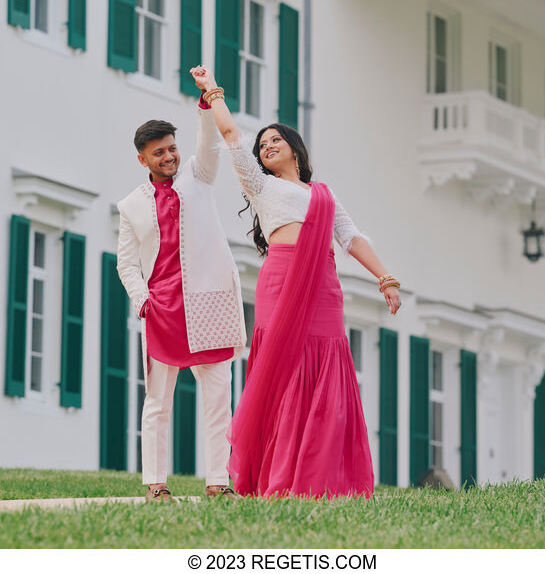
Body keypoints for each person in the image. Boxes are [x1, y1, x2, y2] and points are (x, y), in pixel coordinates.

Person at [189, 65, 402, 499]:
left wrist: (385, 278)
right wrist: (213, 92)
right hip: (281, 279)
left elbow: (351, 236)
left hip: (324, 287)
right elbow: (232, 137)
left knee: (324, 364)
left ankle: (318, 474)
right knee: (283, 366)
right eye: (263, 143)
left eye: (275, 141)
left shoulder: (322, 194)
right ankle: (279, 474)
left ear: (294, 150)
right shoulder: (259, 187)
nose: (267, 146)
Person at [116, 100, 247, 502]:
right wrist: (143, 302)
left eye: (171, 147)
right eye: (159, 152)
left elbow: (209, 145)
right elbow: (126, 263)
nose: (169, 156)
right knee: (157, 403)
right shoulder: (131, 205)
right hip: (163, 310)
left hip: (209, 302)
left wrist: (207, 107)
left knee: (218, 398)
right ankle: (156, 484)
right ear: (143, 159)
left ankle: (217, 482)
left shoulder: (198, 174)